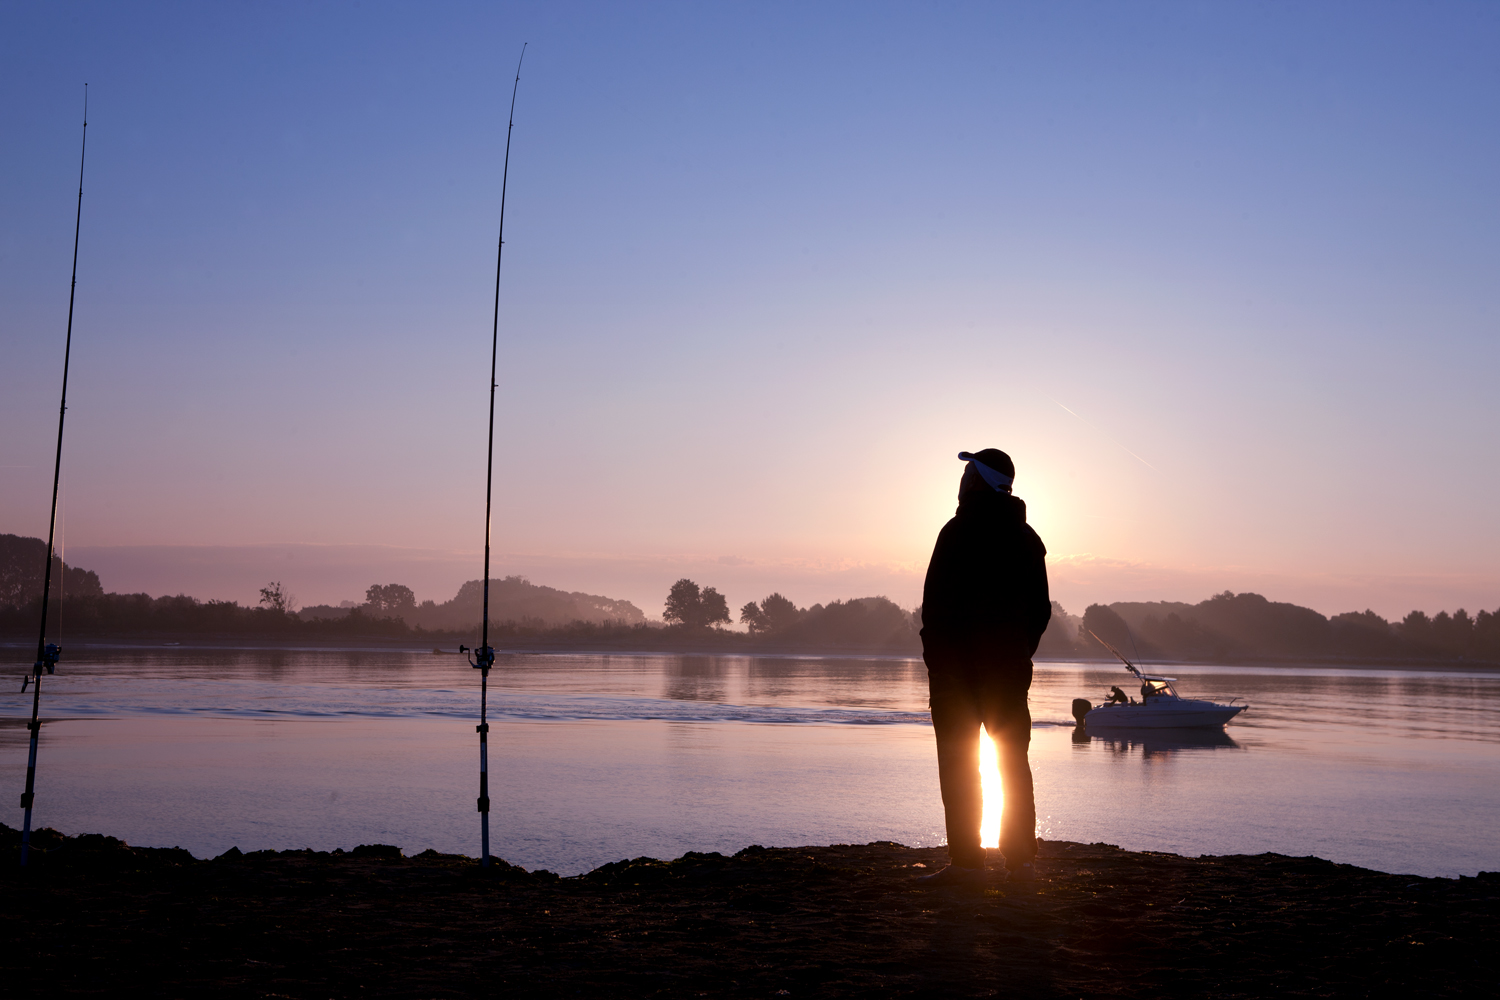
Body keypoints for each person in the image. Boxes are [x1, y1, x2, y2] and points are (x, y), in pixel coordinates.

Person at [917, 449, 1051, 886]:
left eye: (968, 471)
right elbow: (1040, 611)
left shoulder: (955, 533)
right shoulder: (1028, 539)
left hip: (956, 676)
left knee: (959, 767)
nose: (963, 478)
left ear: (979, 481)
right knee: (1012, 763)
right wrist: (1018, 653)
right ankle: (1020, 864)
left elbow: (934, 608)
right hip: (1006, 674)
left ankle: (967, 865)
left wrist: (938, 661)